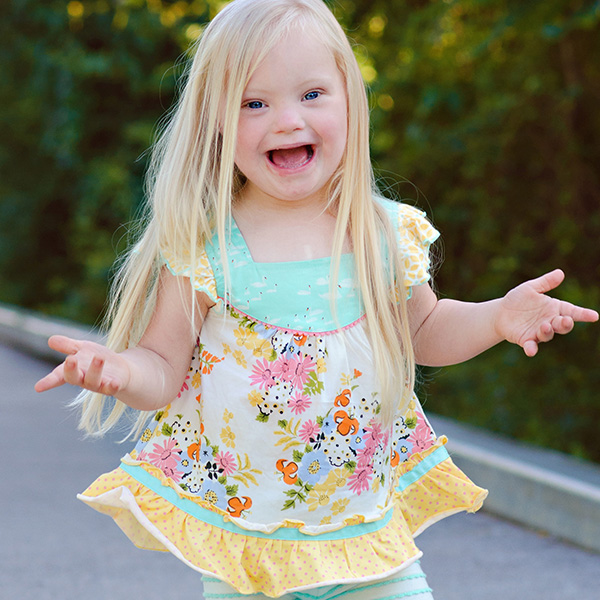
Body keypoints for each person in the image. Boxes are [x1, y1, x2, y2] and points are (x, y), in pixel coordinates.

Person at [35, 0, 598, 598]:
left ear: (350, 102)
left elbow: (424, 329)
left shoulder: (380, 233)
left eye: (311, 95)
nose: (285, 120)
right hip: (248, 551)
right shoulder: (208, 250)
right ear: (216, 122)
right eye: (254, 103)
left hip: (367, 540)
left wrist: (497, 317)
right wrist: (119, 369)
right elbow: (162, 366)